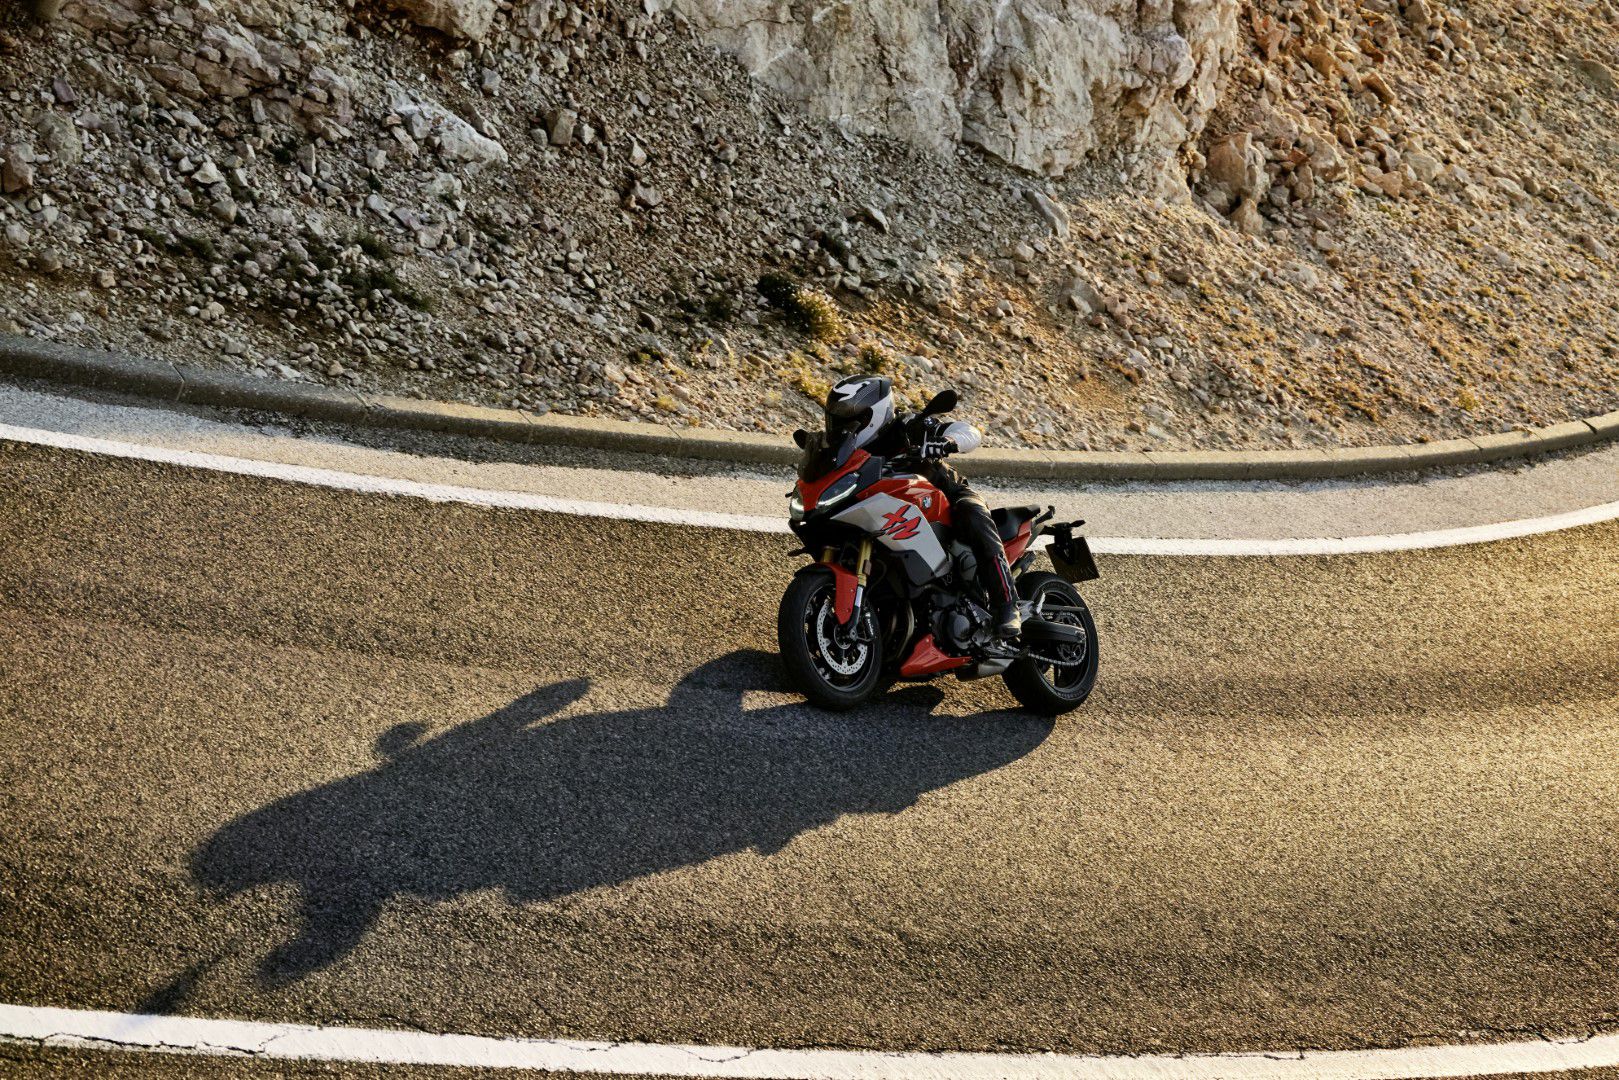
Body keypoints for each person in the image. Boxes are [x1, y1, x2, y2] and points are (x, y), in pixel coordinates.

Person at [822, 375, 1021, 640]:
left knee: (972, 515)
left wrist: (948, 442)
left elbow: (970, 432)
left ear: (873, 414)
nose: (843, 426)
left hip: (945, 495)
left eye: (850, 419)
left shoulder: (908, 426)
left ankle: (1007, 605)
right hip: (884, 509)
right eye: (837, 419)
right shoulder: (842, 447)